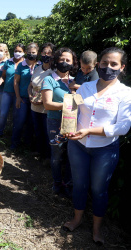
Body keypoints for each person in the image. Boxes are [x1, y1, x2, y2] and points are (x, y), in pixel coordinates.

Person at [62, 47, 131, 245]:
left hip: (105, 149)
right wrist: (68, 127)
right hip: (78, 146)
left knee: (99, 189)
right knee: (80, 184)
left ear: (122, 67)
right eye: (104, 63)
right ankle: (77, 219)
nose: (108, 67)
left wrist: (90, 131)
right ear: (98, 64)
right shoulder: (85, 87)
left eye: (113, 64)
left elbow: (123, 126)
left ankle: (96, 229)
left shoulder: (125, 93)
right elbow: (72, 111)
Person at [41, 47, 78, 196]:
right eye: (62, 59)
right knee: (56, 154)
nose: (64, 62)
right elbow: (47, 104)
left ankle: (68, 183)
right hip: (55, 122)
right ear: (56, 60)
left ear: (73, 62)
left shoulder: (75, 81)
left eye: (68, 60)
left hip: (73, 122)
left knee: (71, 154)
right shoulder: (49, 79)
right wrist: (69, 103)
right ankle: (57, 182)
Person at [27, 42, 55, 161]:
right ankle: (40, 153)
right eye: (44, 52)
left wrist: (44, 100)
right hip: (35, 106)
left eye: (49, 53)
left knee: (47, 133)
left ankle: (48, 157)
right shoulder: (37, 68)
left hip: (46, 108)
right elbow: (30, 86)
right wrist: (30, 96)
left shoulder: (54, 71)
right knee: (38, 131)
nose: (46, 55)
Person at [11, 42, 41, 149]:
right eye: (29, 52)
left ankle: (27, 145)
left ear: (37, 53)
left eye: (33, 52)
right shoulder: (21, 65)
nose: (31, 54)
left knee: (31, 123)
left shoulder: (41, 65)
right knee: (19, 121)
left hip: (36, 99)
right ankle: (14, 144)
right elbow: (16, 82)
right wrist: (18, 97)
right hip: (23, 98)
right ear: (26, 53)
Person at [0, 43, 25, 137]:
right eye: (16, 51)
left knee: (16, 115)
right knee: (3, 113)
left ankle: (13, 135)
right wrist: (1, 80)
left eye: (20, 51)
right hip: (7, 92)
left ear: (24, 52)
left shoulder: (25, 63)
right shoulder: (8, 62)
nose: (17, 53)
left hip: (19, 94)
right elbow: (3, 76)